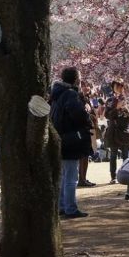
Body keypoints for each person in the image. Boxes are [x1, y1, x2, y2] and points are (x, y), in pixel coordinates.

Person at [50, 67, 91, 219]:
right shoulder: (71, 94)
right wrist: (86, 113)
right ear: (75, 79)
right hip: (71, 139)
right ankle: (70, 208)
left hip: (60, 137)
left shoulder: (56, 93)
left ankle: (62, 206)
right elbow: (77, 114)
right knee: (71, 177)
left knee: (63, 175)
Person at [104, 79, 129, 184]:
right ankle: (113, 177)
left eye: (120, 86)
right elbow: (107, 115)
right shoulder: (110, 100)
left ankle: (126, 175)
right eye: (116, 87)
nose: (118, 89)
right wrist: (116, 108)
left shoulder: (128, 100)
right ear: (113, 88)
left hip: (125, 130)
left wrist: (126, 109)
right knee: (113, 155)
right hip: (114, 129)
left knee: (126, 154)